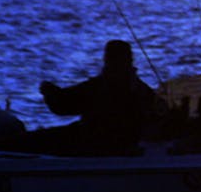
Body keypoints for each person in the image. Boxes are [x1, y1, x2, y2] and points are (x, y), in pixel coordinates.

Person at [33, 39, 163, 155]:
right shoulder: (141, 89)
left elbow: (63, 106)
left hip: (94, 144)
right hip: (122, 143)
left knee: (35, 140)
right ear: (130, 60)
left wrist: (49, 91)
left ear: (107, 59)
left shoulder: (100, 87)